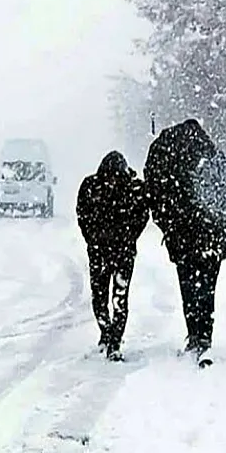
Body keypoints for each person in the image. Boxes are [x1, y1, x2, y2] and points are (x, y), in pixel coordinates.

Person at [143, 119, 226, 366]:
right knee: (208, 288)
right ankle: (204, 337)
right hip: (213, 238)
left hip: (184, 239)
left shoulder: (169, 159)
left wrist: (168, 226)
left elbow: (156, 196)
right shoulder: (211, 156)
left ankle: (194, 335)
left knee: (189, 287)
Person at [76, 151, 149, 361]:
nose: (112, 182)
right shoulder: (91, 187)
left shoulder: (135, 189)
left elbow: (143, 215)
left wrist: (128, 236)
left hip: (122, 253)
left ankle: (115, 341)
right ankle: (106, 331)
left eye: (116, 177)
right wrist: (92, 238)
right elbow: (82, 214)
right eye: (109, 177)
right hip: (100, 251)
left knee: (119, 298)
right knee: (99, 298)